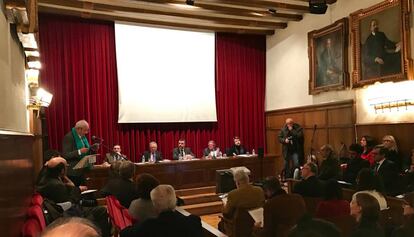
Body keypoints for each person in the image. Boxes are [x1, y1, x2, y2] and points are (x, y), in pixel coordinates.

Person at [36, 157, 110, 237]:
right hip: (67, 216)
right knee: (101, 210)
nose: (67, 168)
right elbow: (69, 204)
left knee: (97, 206)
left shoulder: (46, 178)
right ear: (62, 170)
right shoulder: (57, 185)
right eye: (66, 167)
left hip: (63, 210)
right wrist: (76, 189)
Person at [120, 185, 203, 237]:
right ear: (175, 200)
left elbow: (124, 233)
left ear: (155, 205)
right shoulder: (193, 221)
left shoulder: (149, 225)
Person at [62, 120, 98, 186]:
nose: (86, 132)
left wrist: (92, 149)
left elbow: (86, 151)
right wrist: (79, 151)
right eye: (85, 130)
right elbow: (65, 155)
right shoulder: (69, 137)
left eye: (87, 130)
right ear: (79, 129)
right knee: (76, 192)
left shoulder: (82, 137)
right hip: (73, 172)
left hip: (82, 170)